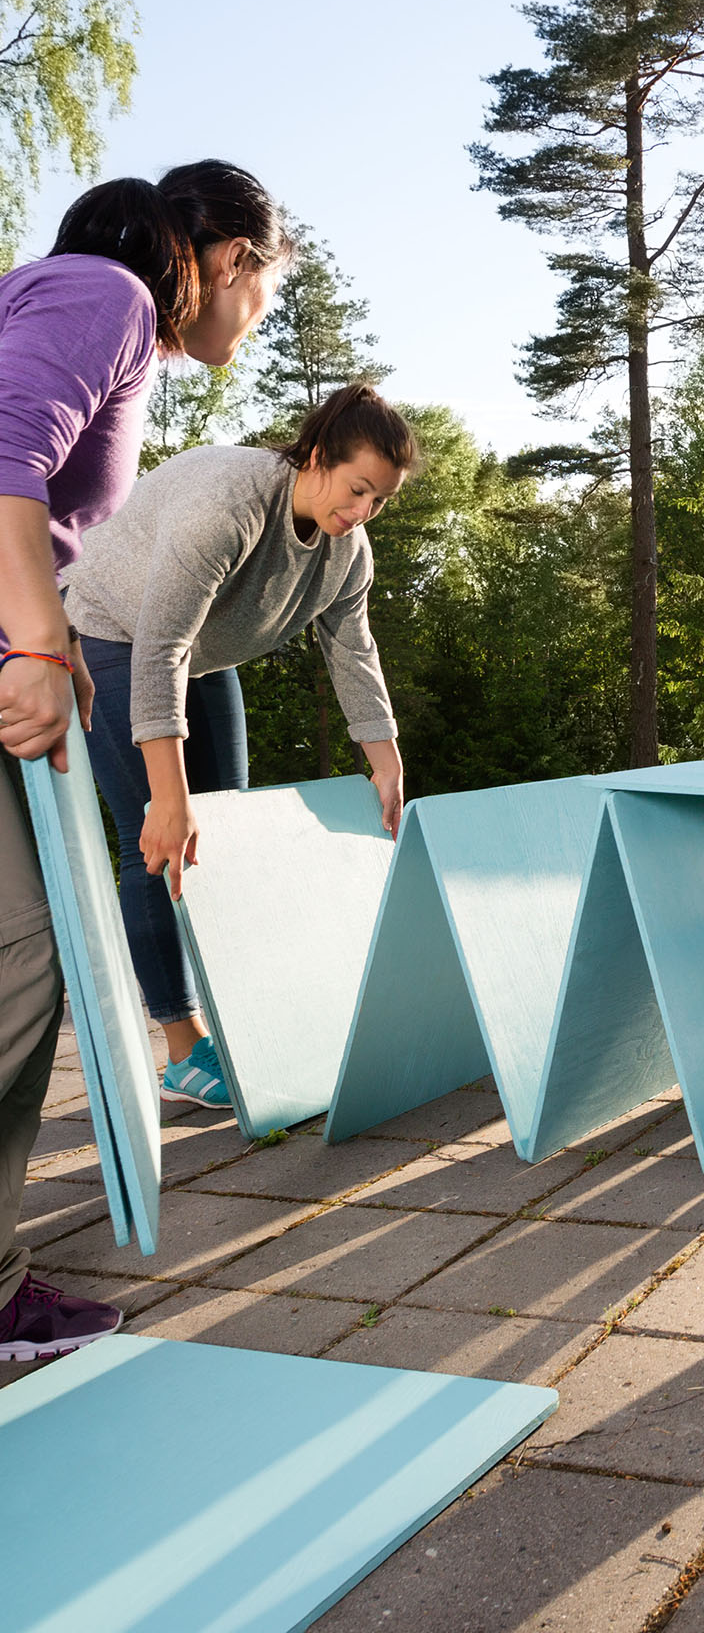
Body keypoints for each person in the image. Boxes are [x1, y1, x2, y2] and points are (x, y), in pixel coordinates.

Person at [1, 162, 287, 1364]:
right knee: (19, 973)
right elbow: (4, 455)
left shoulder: (66, 292)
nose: (262, 309)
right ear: (227, 260)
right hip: (13, 661)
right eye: (268, 281)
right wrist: (32, 640)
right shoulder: (106, 295)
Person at [62, 383, 414, 1113]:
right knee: (156, 837)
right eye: (357, 490)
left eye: (379, 500)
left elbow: (354, 651)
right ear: (316, 457)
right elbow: (159, 649)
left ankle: (237, 1020)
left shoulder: (348, 551)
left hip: (203, 659)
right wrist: (171, 795)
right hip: (115, 635)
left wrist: (386, 763)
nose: (362, 512)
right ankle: (183, 1048)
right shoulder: (227, 507)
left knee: (228, 837)